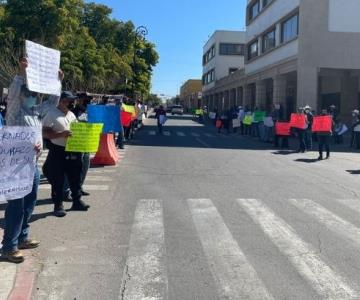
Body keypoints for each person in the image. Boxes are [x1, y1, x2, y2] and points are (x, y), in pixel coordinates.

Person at [1, 58, 63, 263]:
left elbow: (52, 103)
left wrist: (57, 82)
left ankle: (22, 237)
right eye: (30, 94)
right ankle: (9, 247)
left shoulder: (36, 113)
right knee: (16, 207)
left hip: (32, 165)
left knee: (30, 203)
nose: (33, 97)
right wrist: (21, 73)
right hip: (15, 167)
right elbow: (12, 95)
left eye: (35, 95)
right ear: (22, 96)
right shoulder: (14, 112)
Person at [42, 91, 90, 217]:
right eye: (68, 101)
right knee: (58, 179)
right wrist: (60, 135)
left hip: (73, 149)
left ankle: (76, 201)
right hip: (58, 150)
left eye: (72, 101)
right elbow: (44, 132)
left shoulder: (71, 114)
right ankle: (58, 205)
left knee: (75, 176)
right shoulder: (52, 113)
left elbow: (76, 129)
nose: (71, 103)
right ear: (61, 100)